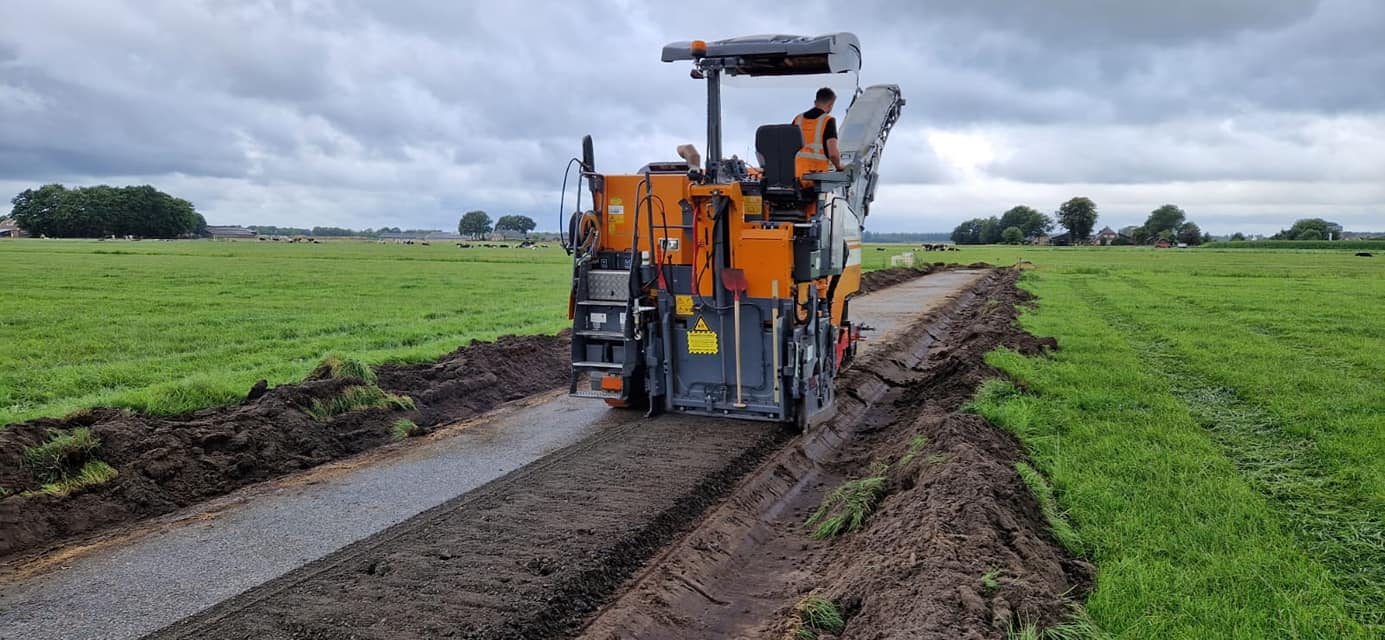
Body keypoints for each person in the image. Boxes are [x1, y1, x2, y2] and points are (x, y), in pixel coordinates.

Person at [793, 87, 844, 178]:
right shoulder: (828, 120)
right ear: (830, 105)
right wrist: (839, 166)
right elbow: (833, 154)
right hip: (814, 179)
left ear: (815, 102)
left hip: (795, 177)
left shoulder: (798, 119)